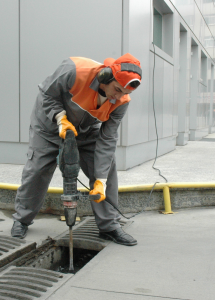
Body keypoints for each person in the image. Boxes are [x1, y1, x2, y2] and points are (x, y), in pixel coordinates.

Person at [11, 53, 142, 246]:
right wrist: (60, 119)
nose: (118, 96)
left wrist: (101, 180)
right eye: (117, 89)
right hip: (49, 126)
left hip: (86, 129)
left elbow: (108, 139)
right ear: (105, 77)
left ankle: (109, 226)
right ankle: (22, 219)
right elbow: (47, 93)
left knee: (107, 170)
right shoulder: (74, 70)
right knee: (37, 170)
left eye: (124, 93)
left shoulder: (121, 102)